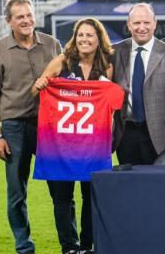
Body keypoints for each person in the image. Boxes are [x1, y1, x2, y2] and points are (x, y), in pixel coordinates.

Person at [0, 0, 64, 254]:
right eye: (20, 17)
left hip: (48, 127)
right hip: (14, 127)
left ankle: (71, 245)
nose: (27, 20)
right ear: (9, 21)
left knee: (61, 187)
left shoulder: (52, 45)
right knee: (17, 191)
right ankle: (24, 247)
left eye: (29, 15)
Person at [29, 18, 115, 254]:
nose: (84, 40)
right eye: (80, 35)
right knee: (62, 197)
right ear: (74, 38)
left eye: (89, 36)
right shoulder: (62, 62)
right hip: (60, 144)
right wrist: (41, 83)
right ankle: (69, 247)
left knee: (91, 197)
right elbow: (35, 91)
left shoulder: (106, 65)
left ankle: (87, 246)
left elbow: (112, 104)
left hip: (93, 144)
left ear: (99, 40)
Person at [111, 3, 165, 165]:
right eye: (136, 23)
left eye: (146, 22)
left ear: (155, 24)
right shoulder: (115, 52)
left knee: (159, 185)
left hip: (162, 134)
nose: (142, 27)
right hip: (125, 133)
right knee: (129, 185)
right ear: (129, 25)